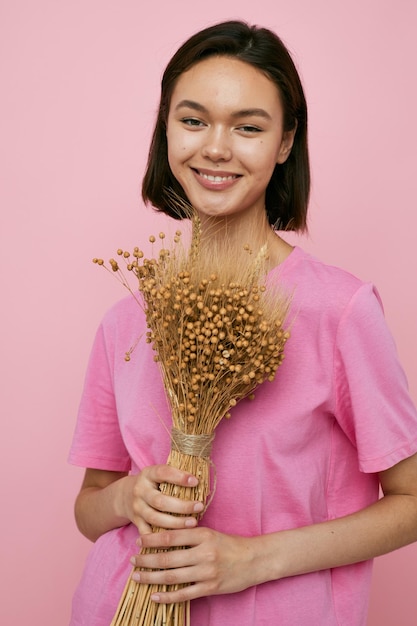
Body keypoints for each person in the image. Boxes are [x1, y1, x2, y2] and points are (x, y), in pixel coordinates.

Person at [68, 20, 417, 626]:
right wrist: (128, 497)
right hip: (116, 606)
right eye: (193, 120)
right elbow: (88, 508)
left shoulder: (338, 309)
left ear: (285, 143)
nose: (216, 148)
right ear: (166, 130)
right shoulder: (127, 319)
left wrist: (250, 560)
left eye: (249, 127)